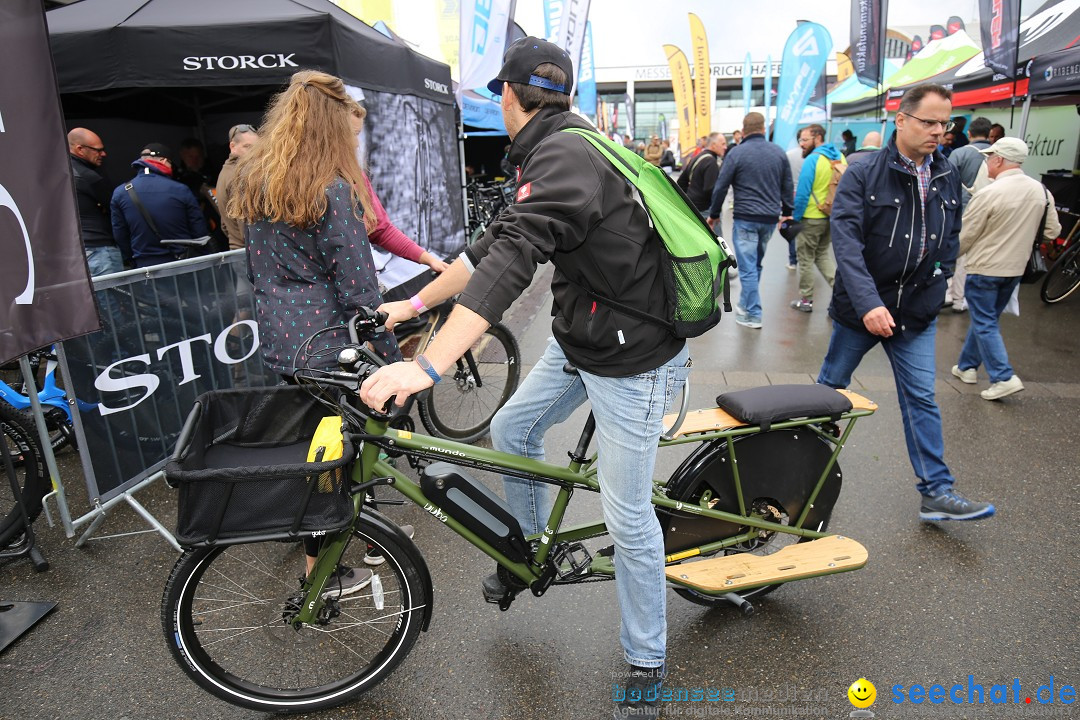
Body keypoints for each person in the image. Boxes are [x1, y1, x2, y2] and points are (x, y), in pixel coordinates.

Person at [359, 37, 690, 719]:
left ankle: (647, 660)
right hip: (586, 336)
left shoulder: (565, 153)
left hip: (632, 355)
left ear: (508, 96)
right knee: (513, 424)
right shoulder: (558, 147)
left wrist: (426, 365)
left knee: (627, 515)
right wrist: (413, 305)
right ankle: (528, 552)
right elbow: (484, 252)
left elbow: (508, 267)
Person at [229, 71, 438, 593]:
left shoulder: (259, 181)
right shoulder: (332, 190)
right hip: (328, 344)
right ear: (333, 128)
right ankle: (324, 571)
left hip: (281, 341)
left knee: (316, 450)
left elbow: (255, 270)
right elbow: (360, 294)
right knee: (340, 456)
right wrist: (395, 358)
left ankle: (362, 545)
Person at [818, 83, 995, 522]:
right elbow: (847, 242)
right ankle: (798, 470)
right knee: (827, 394)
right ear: (901, 120)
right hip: (861, 311)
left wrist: (935, 287)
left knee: (922, 399)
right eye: (929, 122)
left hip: (915, 313)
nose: (939, 131)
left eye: (945, 123)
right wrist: (868, 304)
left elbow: (949, 243)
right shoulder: (862, 172)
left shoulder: (947, 173)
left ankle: (937, 491)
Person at [953, 138, 1061, 401]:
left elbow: (964, 237)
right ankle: (967, 367)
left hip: (985, 267)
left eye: (989, 157)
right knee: (986, 318)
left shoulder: (989, 193)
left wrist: (942, 261)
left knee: (985, 321)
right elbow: (1052, 232)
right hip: (1016, 269)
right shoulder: (1041, 192)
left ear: (999, 160)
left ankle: (1003, 376)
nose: (987, 162)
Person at [705, 112, 794, 329]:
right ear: (763, 129)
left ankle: (753, 314)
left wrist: (714, 214)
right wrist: (788, 211)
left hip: (745, 218)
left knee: (748, 268)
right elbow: (787, 186)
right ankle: (745, 305)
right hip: (769, 219)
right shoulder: (778, 152)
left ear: (743, 131)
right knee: (754, 265)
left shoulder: (737, 153)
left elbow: (721, 186)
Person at [110, 143, 207, 268]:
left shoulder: (120, 192)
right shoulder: (180, 189)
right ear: (164, 161)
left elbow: (120, 234)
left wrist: (133, 260)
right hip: (183, 263)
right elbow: (198, 228)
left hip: (145, 266)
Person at [786, 124, 844, 313]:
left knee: (805, 259)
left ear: (817, 138)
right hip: (830, 215)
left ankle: (806, 299)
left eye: (804, 139)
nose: (801, 144)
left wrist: (795, 218)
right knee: (822, 255)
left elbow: (802, 193)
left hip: (811, 217)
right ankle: (843, 294)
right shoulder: (840, 157)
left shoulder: (813, 160)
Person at [944, 117, 993, 312]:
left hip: (960, 212)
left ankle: (948, 294)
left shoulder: (960, 153)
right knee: (972, 257)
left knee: (953, 252)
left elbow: (944, 180)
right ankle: (961, 299)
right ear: (989, 135)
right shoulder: (996, 156)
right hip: (988, 213)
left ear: (970, 134)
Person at [68, 127, 122, 276]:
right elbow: (114, 208)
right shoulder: (88, 177)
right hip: (100, 249)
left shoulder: (59, 173)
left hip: (77, 250)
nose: (103, 154)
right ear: (80, 149)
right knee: (112, 298)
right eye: (98, 150)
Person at [215, 124, 259, 251]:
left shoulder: (225, 172)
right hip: (248, 251)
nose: (254, 153)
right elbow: (246, 225)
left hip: (240, 250)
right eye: (247, 147)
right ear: (232, 147)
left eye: (257, 148)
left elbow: (224, 224)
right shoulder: (238, 176)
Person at [676, 132, 726, 214]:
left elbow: (681, 182)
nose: (725, 147)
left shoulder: (697, 157)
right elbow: (710, 189)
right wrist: (716, 211)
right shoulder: (711, 162)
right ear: (713, 145)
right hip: (705, 210)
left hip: (692, 207)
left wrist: (688, 198)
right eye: (723, 144)